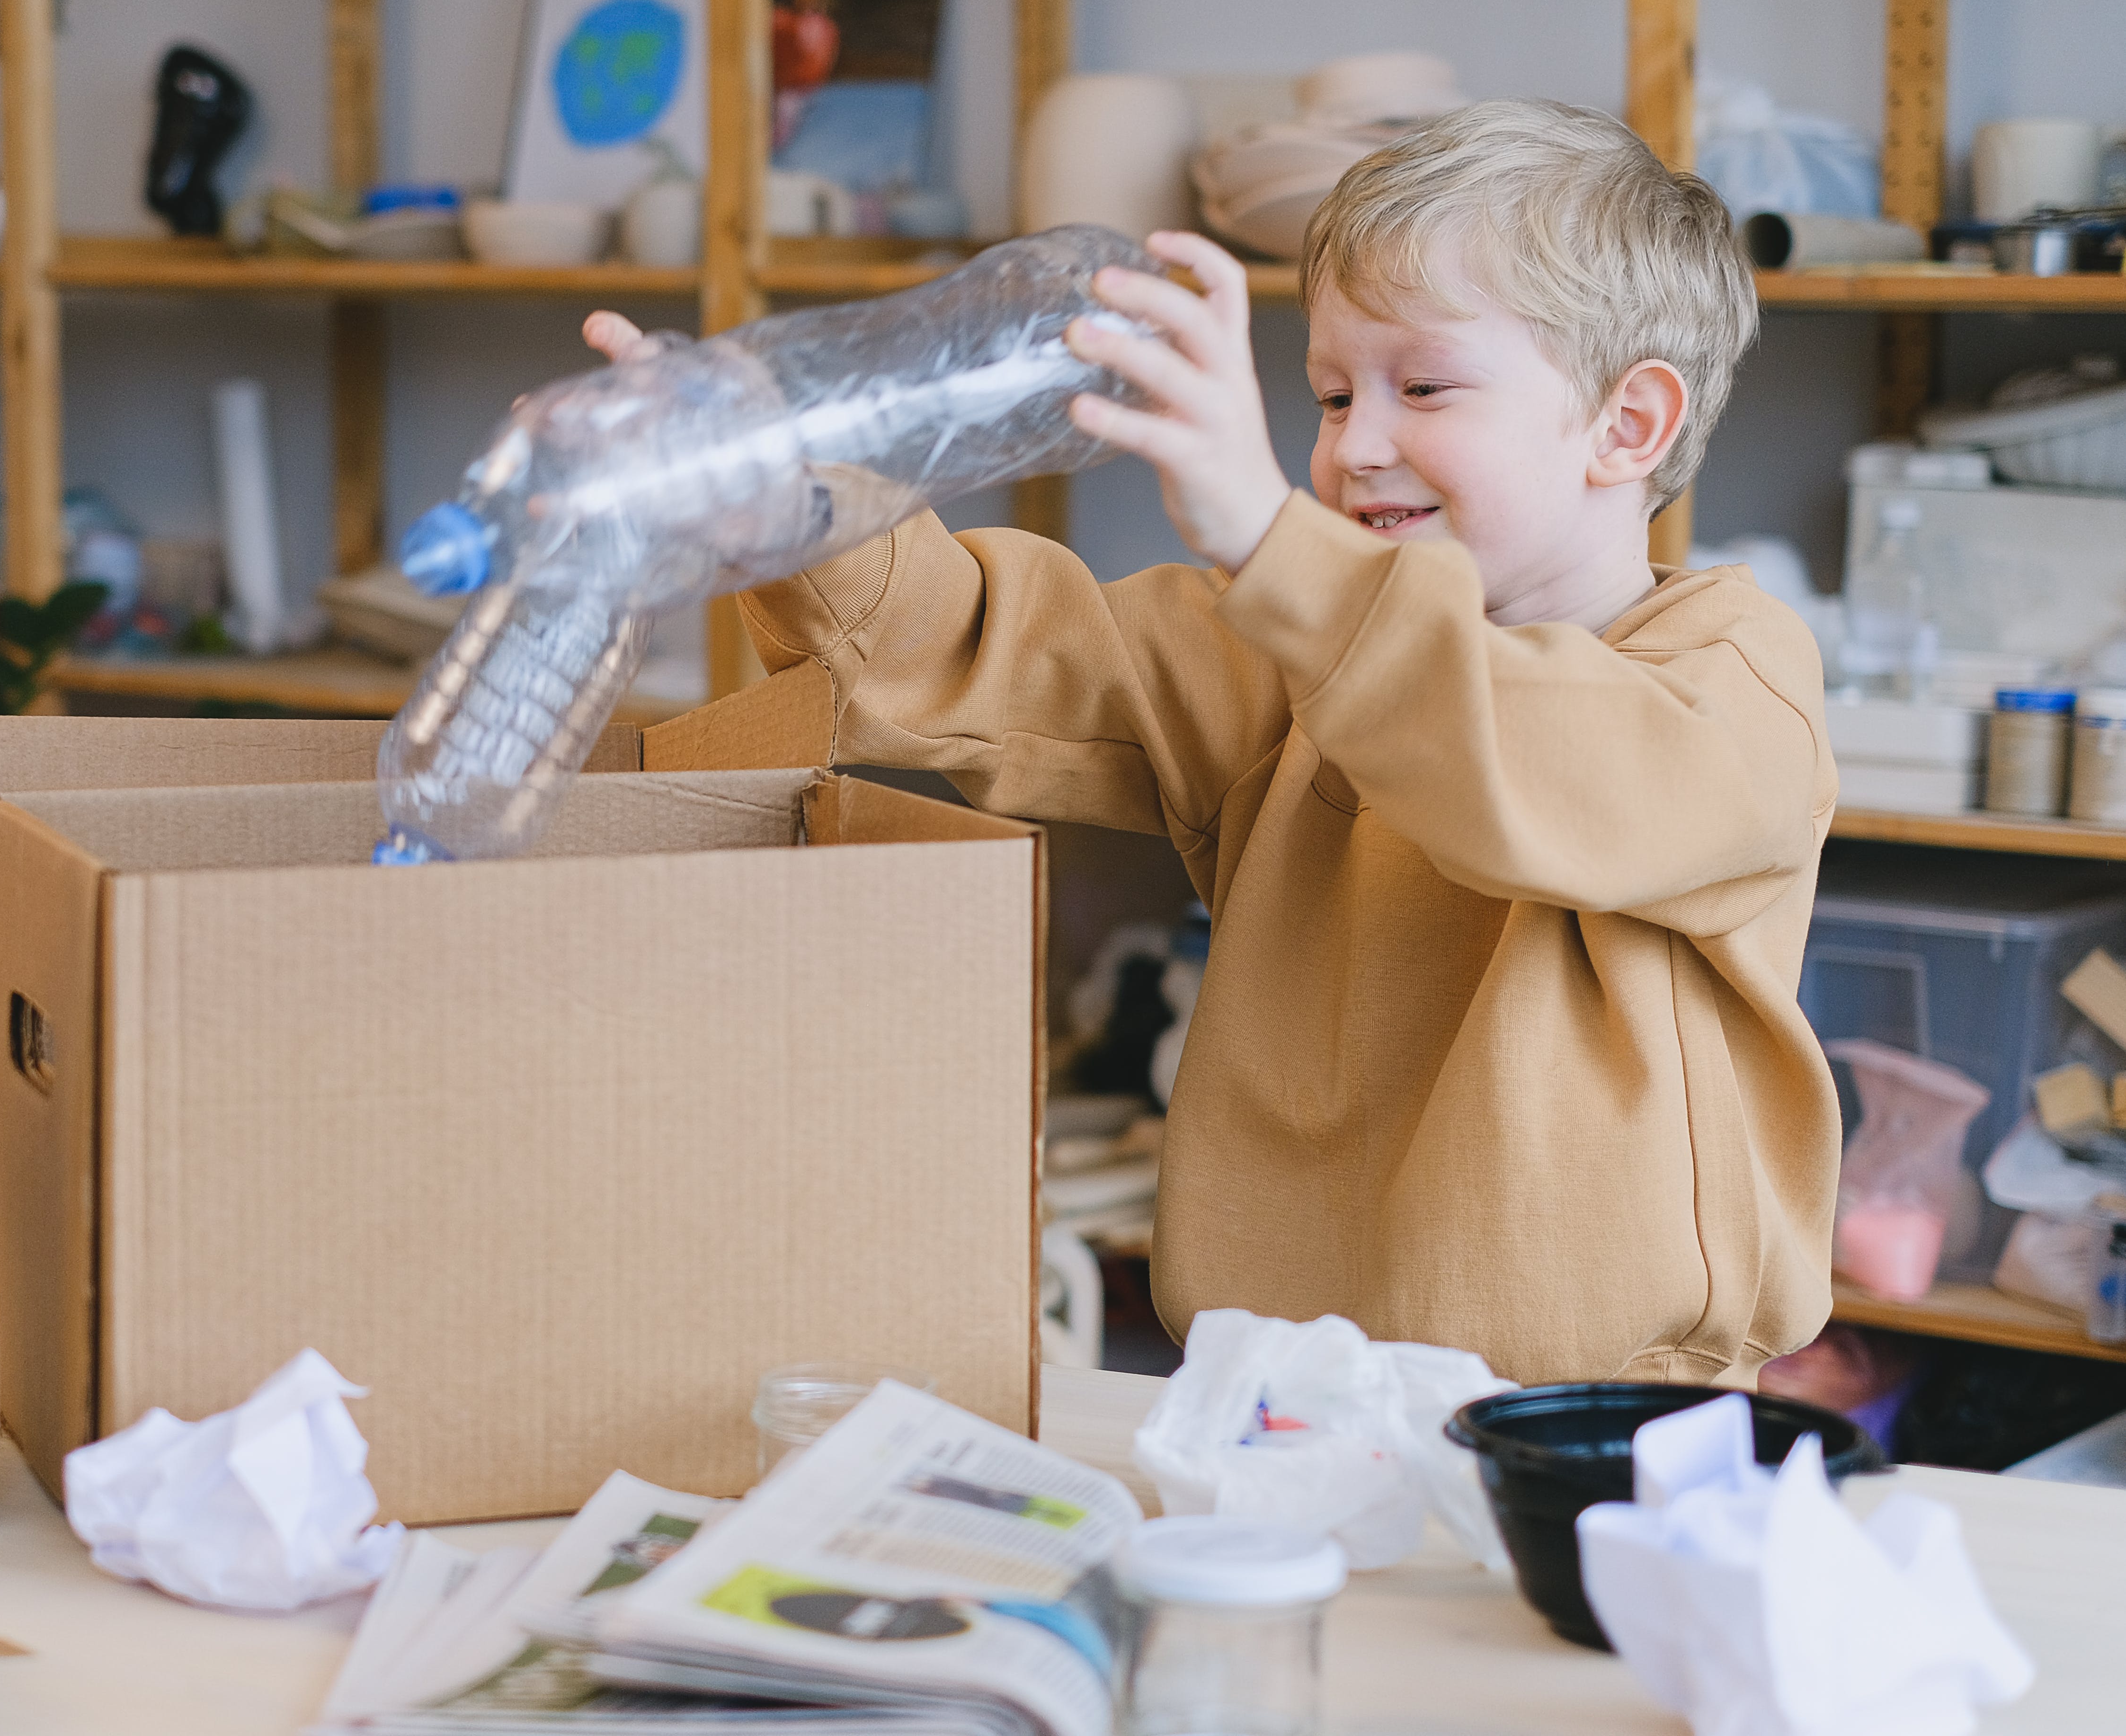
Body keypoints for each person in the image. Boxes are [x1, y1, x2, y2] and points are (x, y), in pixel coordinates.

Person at [582, 98, 1836, 1386]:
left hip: (1602, 1425)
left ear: (1625, 427)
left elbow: (1534, 764)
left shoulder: (1732, 676)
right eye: (1330, 392)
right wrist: (789, 512)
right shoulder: (1278, 654)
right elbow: (971, 653)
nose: (1353, 446)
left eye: (1422, 387)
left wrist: (1269, 540)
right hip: (1270, 1400)